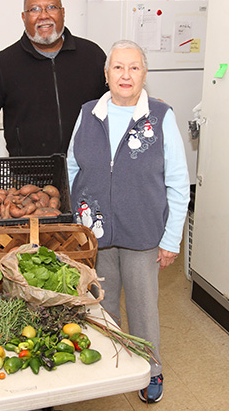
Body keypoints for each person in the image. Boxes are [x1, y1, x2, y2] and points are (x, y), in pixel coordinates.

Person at [66, 40, 190, 404]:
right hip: (95, 232)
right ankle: (112, 367)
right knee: (100, 306)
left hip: (143, 233)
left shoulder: (161, 116)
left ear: (144, 74)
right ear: (106, 75)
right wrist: (77, 225)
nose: (125, 75)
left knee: (142, 308)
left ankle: (151, 370)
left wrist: (171, 239)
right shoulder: (88, 112)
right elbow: (73, 168)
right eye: (118, 67)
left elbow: (178, 182)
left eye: (134, 68)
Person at [0, 0, 107, 158]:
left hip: (86, 173)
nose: (44, 15)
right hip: (27, 178)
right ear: (24, 17)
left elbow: (116, 105)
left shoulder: (92, 56)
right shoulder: (4, 64)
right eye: (34, 9)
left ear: (63, 13)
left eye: (52, 7)